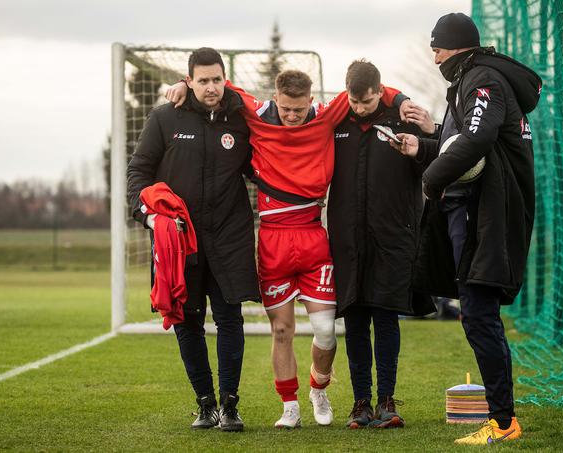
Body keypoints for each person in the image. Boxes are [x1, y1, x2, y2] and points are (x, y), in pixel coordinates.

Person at [166, 70, 405, 429]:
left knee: (326, 330)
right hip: (274, 240)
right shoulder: (258, 113)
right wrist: (183, 85)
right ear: (276, 99)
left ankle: (318, 388)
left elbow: (374, 89)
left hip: (312, 237)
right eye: (286, 109)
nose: (292, 116)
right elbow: (217, 88)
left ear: (311, 100)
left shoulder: (327, 115)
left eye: (299, 109)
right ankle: (290, 405)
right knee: (282, 331)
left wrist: (403, 101)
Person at [394, 13, 541, 445]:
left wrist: (430, 178)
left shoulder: (483, 80)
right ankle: (502, 418)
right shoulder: (467, 81)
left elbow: (477, 140)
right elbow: (462, 142)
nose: (434, 55)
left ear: (455, 47)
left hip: (487, 216)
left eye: (437, 48)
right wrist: (424, 145)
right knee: (476, 314)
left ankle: (502, 422)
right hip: (472, 215)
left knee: (478, 313)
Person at [127, 47, 260, 432]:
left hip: (230, 234)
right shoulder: (165, 117)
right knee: (188, 322)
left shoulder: (241, 118)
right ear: (189, 81)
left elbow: (265, 165)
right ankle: (205, 403)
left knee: (230, 319)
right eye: (202, 80)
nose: (211, 87)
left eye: (217, 79)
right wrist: (147, 215)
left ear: (225, 79)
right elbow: (139, 170)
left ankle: (230, 405)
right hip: (180, 239)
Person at [327, 60, 438, 429]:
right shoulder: (336, 121)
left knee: (386, 319)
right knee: (355, 322)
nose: (360, 108)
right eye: (355, 102)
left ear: (380, 91)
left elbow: (440, 154)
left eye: (368, 101)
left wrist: (421, 143)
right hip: (348, 240)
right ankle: (360, 404)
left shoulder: (403, 118)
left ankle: (387, 401)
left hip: (393, 238)